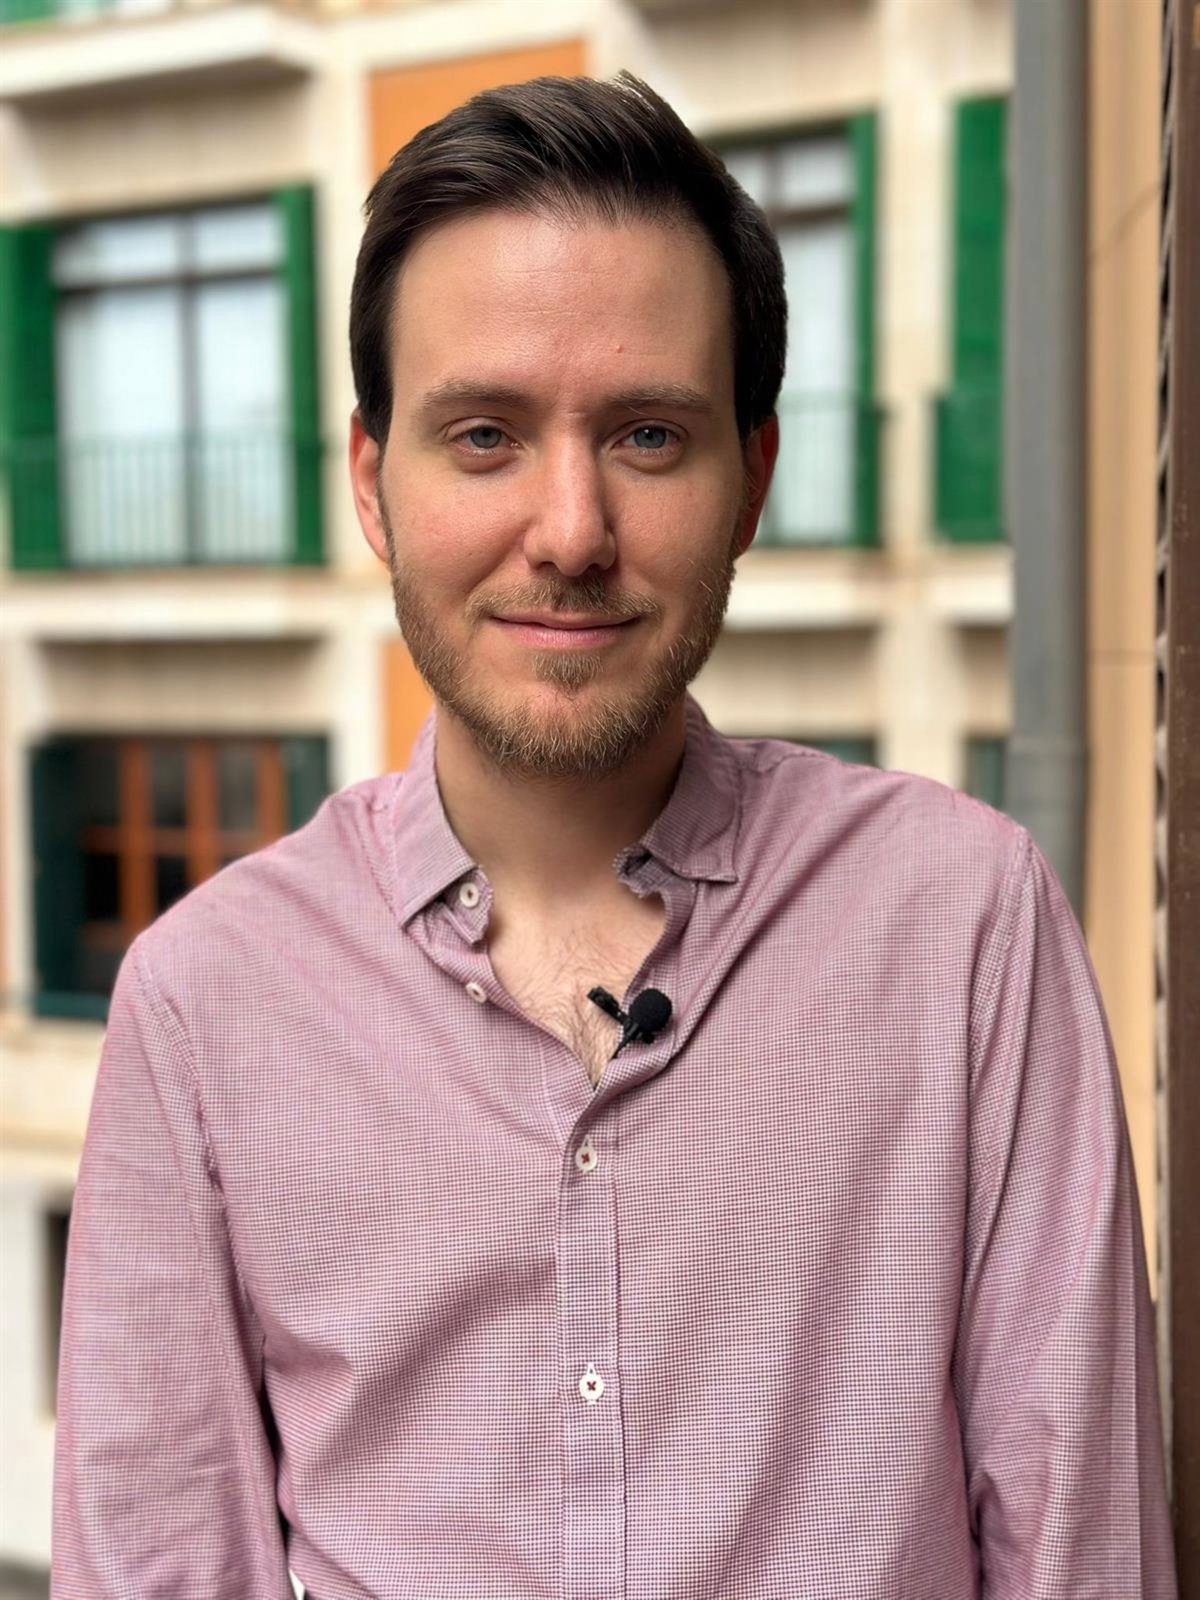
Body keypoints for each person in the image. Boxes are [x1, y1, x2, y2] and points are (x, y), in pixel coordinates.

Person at [52, 72, 1176, 1600]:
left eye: (648, 435)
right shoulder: (204, 1002)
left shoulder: (966, 925)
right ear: (375, 483)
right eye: (485, 436)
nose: (572, 532)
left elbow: (1082, 1553)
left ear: (751, 481)